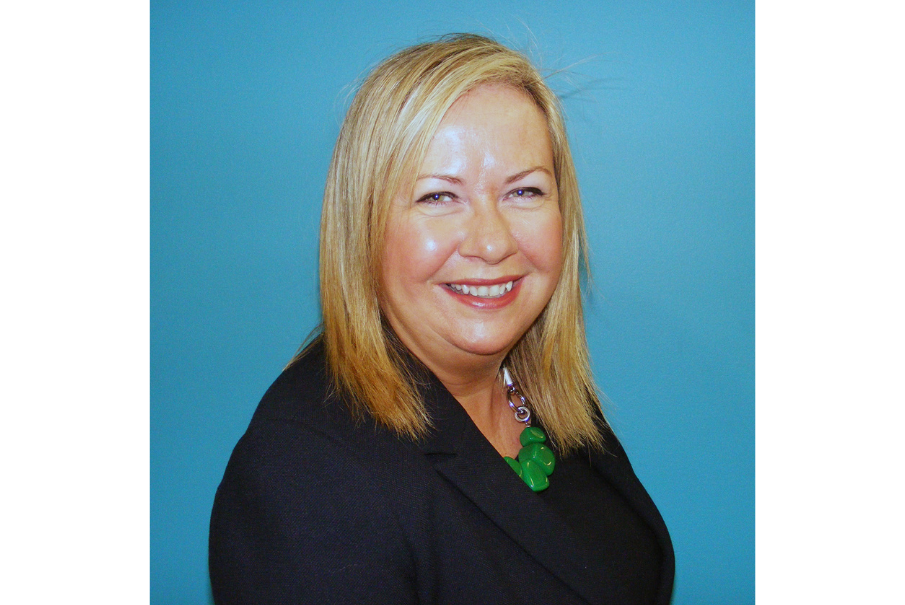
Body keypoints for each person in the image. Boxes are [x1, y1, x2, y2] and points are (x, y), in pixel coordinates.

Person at [209, 33, 674, 604]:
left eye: (524, 191)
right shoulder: (303, 479)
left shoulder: (536, 390)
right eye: (438, 197)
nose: (492, 242)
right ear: (366, 227)